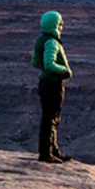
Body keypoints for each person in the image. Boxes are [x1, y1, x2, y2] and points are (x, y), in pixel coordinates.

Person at [31, 10, 73, 163]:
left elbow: (36, 62)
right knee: (50, 119)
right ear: (56, 25)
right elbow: (49, 64)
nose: (62, 26)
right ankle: (46, 154)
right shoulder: (52, 42)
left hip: (44, 83)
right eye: (61, 24)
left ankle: (54, 151)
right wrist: (65, 71)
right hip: (53, 85)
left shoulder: (40, 40)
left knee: (52, 118)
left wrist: (46, 70)